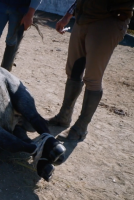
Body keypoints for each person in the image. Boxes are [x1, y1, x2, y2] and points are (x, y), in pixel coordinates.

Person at [48, 0, 134, 141]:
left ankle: (81, 128)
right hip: (83, 19)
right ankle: (63, 116)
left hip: (108, 21)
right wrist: (68, 15)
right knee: (73, 70)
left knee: (93, 78)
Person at [0, 0, 42, 71]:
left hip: (21, 8)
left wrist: (30, 13)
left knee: (12, 41)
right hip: (0, 3)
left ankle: (6, 74)